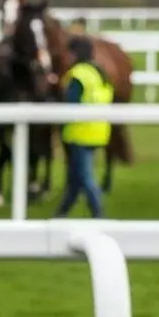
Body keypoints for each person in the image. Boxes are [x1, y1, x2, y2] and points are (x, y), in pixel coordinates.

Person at [54, 36, 112, 218]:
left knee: (86, 178)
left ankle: (99, 215)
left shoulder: (78, 74)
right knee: (75, 180)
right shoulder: (99, 72)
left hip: (80, 133)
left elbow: (71, 104)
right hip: (99, 131)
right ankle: (60, 215)